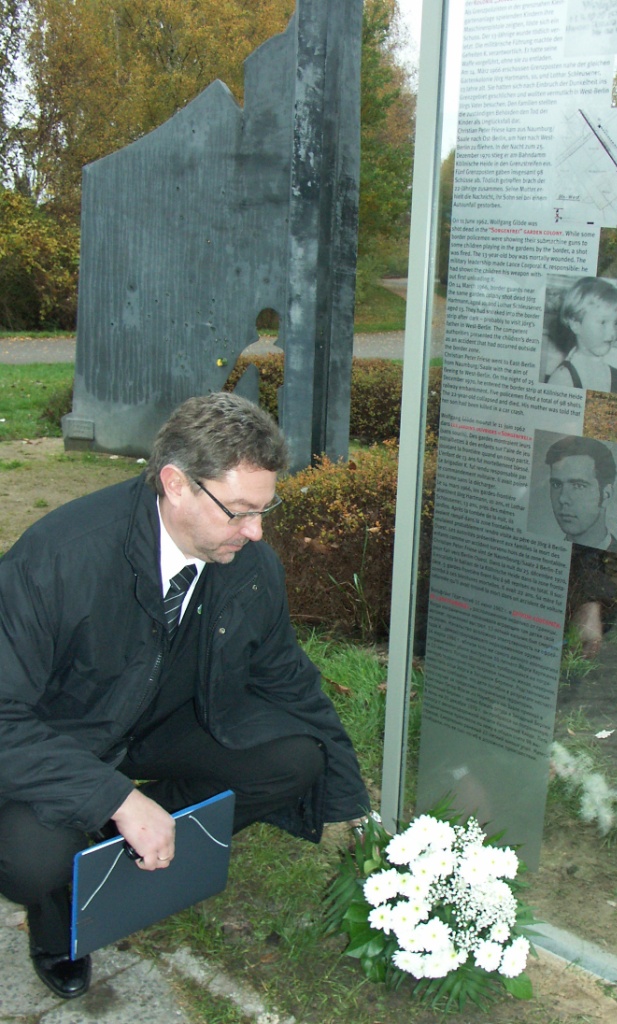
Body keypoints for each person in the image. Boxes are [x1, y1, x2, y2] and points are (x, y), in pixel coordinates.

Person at [0, 393, 369, 999]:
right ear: (175, 484)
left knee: (298, 759)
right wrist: (113, 797)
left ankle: (106, 852)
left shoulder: (249, 562)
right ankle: (67, 891)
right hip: (66, 736)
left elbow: (290, 681)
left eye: (265, 509)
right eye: (239, 512)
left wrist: (355, 807)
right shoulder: (60, 560)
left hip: (164, 720)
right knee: (29, 859)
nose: (255, 532)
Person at [545, 277, 617, 395]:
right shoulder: (562, 381)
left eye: (616, 323)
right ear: (576, 324)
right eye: (603, 322)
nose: (612, 332)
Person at [545, 434, 617, 552]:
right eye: (556, 484)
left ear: (606, 495)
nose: (562, 498)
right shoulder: (548, 553)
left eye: (578, 486)